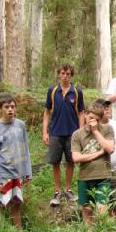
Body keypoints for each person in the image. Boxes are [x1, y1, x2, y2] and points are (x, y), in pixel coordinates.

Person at [0, 94, 32, 232]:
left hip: (17, 172)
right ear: (0, 108)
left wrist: (27, 172)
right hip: (2, 173)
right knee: (1, 204)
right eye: (6, 107)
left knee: (16, 204)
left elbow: (25, 148)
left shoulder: (20, 125)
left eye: (12, 106)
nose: (10, 110)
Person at [42, 63, 85, 206]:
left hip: (72, 133)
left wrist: (81, 132)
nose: (65, 76)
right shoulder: (52, 91)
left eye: (68, 74)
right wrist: (45, 132)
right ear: (58, 74)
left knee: (70, 161)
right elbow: (47, 112)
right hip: (55, 132)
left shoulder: (77, 92)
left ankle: (68, 189)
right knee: (55, 162)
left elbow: (81, 113)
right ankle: (57, 191)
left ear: (71, 75)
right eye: (62, 73)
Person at [71, 104, 114, 224]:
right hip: (85, 176)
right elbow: (76, 157)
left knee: (102, 210)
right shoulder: (77, 134)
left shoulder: (107, 129)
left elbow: (110, 149)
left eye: (96, 119)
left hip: (103, 175)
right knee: (86, 209)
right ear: (85, 114)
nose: (92, 121)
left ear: (100, 119)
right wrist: (99, 153)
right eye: (90, 117)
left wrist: (95, 131)